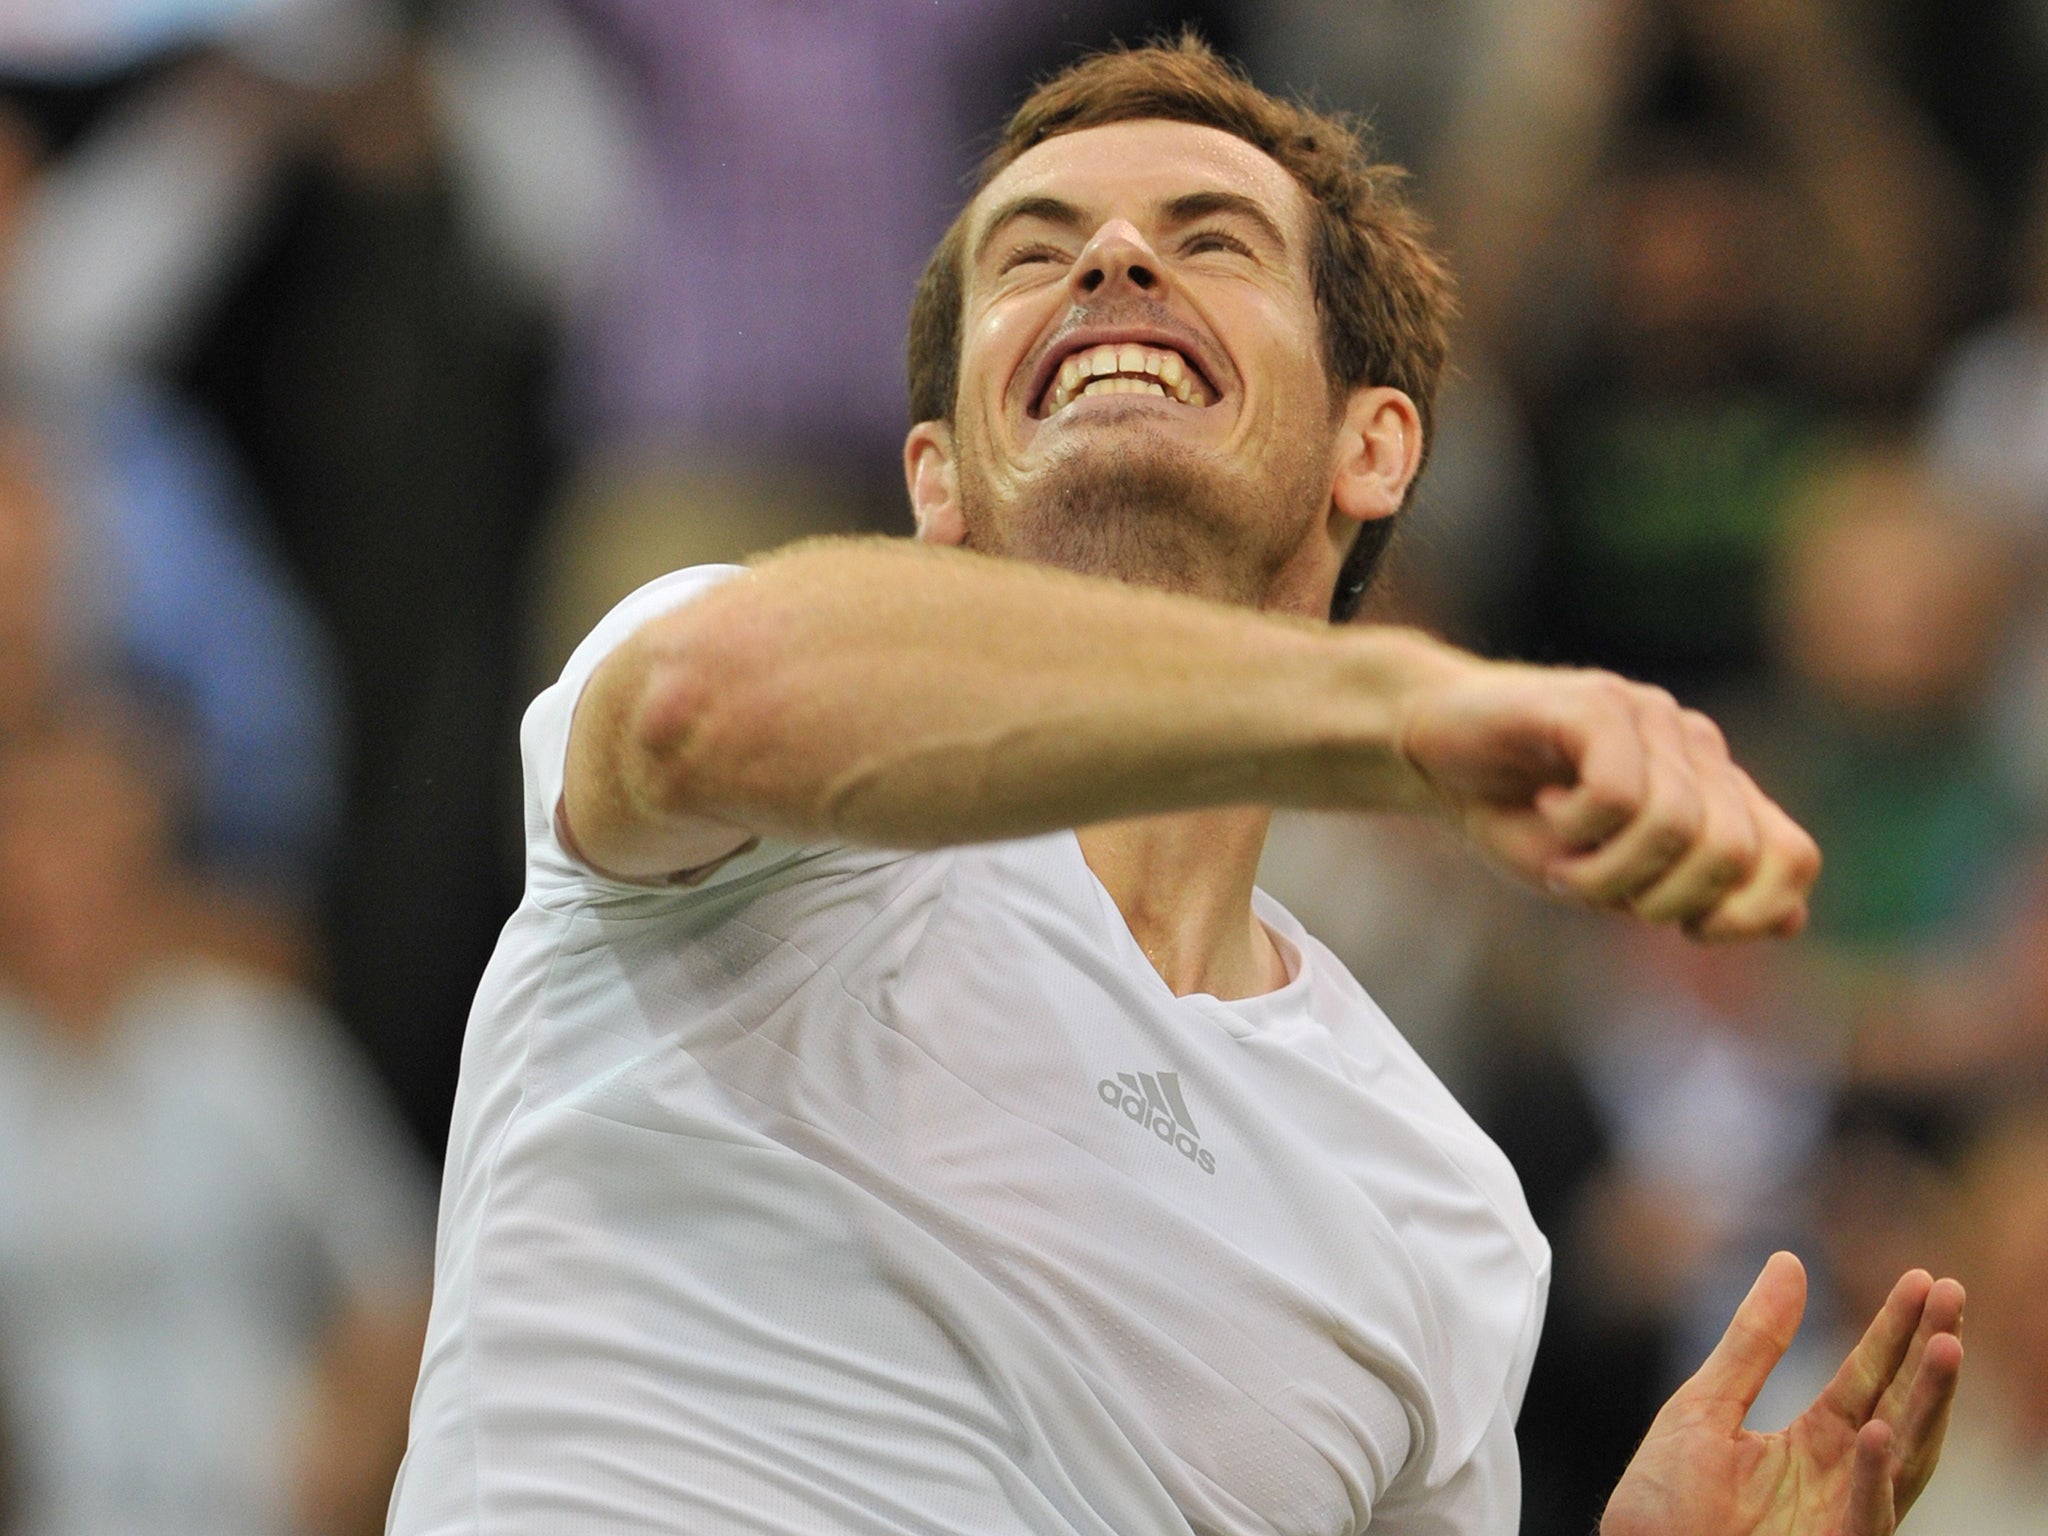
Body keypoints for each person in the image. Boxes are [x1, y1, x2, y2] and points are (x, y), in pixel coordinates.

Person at [387, 37, 1962, 1536]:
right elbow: (702, 705)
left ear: (1378, 450)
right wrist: (1397, 704)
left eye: (1211, 240)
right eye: (1033, 250)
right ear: (934, 479)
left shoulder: (1439, 1203)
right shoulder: (762, 761)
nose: (1114, 262)